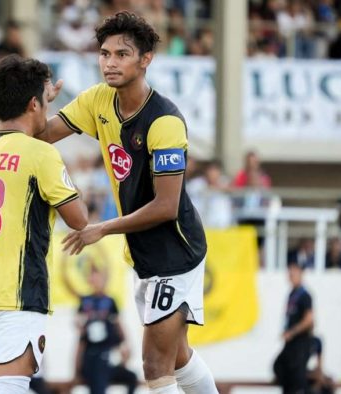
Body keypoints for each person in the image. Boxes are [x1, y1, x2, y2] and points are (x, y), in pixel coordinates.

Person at [41, 11, 217, 394]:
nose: (110, 63)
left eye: (122, 54)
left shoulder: (165, 121)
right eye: (105, 54)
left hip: (176, 250)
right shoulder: (98, 100)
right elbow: (43, 134)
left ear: (146, 59)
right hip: (144, 254)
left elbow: (166, 205)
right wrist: (39, 104)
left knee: (155, 365)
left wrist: (100, 228)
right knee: (179, 356)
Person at [0, 54, 88, 394]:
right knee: (11, 388)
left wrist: (0, 233)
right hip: (19, 289)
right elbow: (79, 219)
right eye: (44, 103)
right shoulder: (40, 153)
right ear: (35, 103)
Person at [70, 267, 137, 394]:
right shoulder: (85, 301)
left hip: (106, 356)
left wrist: (125, 345)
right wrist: (76, 368)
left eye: (98, 278)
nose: (96, 281)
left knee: (131, 377)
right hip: (92, 357)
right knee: (98, 380)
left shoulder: (109, 301)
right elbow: (79, 331)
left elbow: (119, 325)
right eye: (93, 278)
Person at [273, 262, 314, 394]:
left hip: (300, 344)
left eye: (294, 271)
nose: (291, 275)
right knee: (280, 367)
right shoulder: (292, 294)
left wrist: (292, 332)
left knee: (298, 381)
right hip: (290, 345)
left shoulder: (305, 295)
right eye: (289, 271)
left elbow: (309, 320)